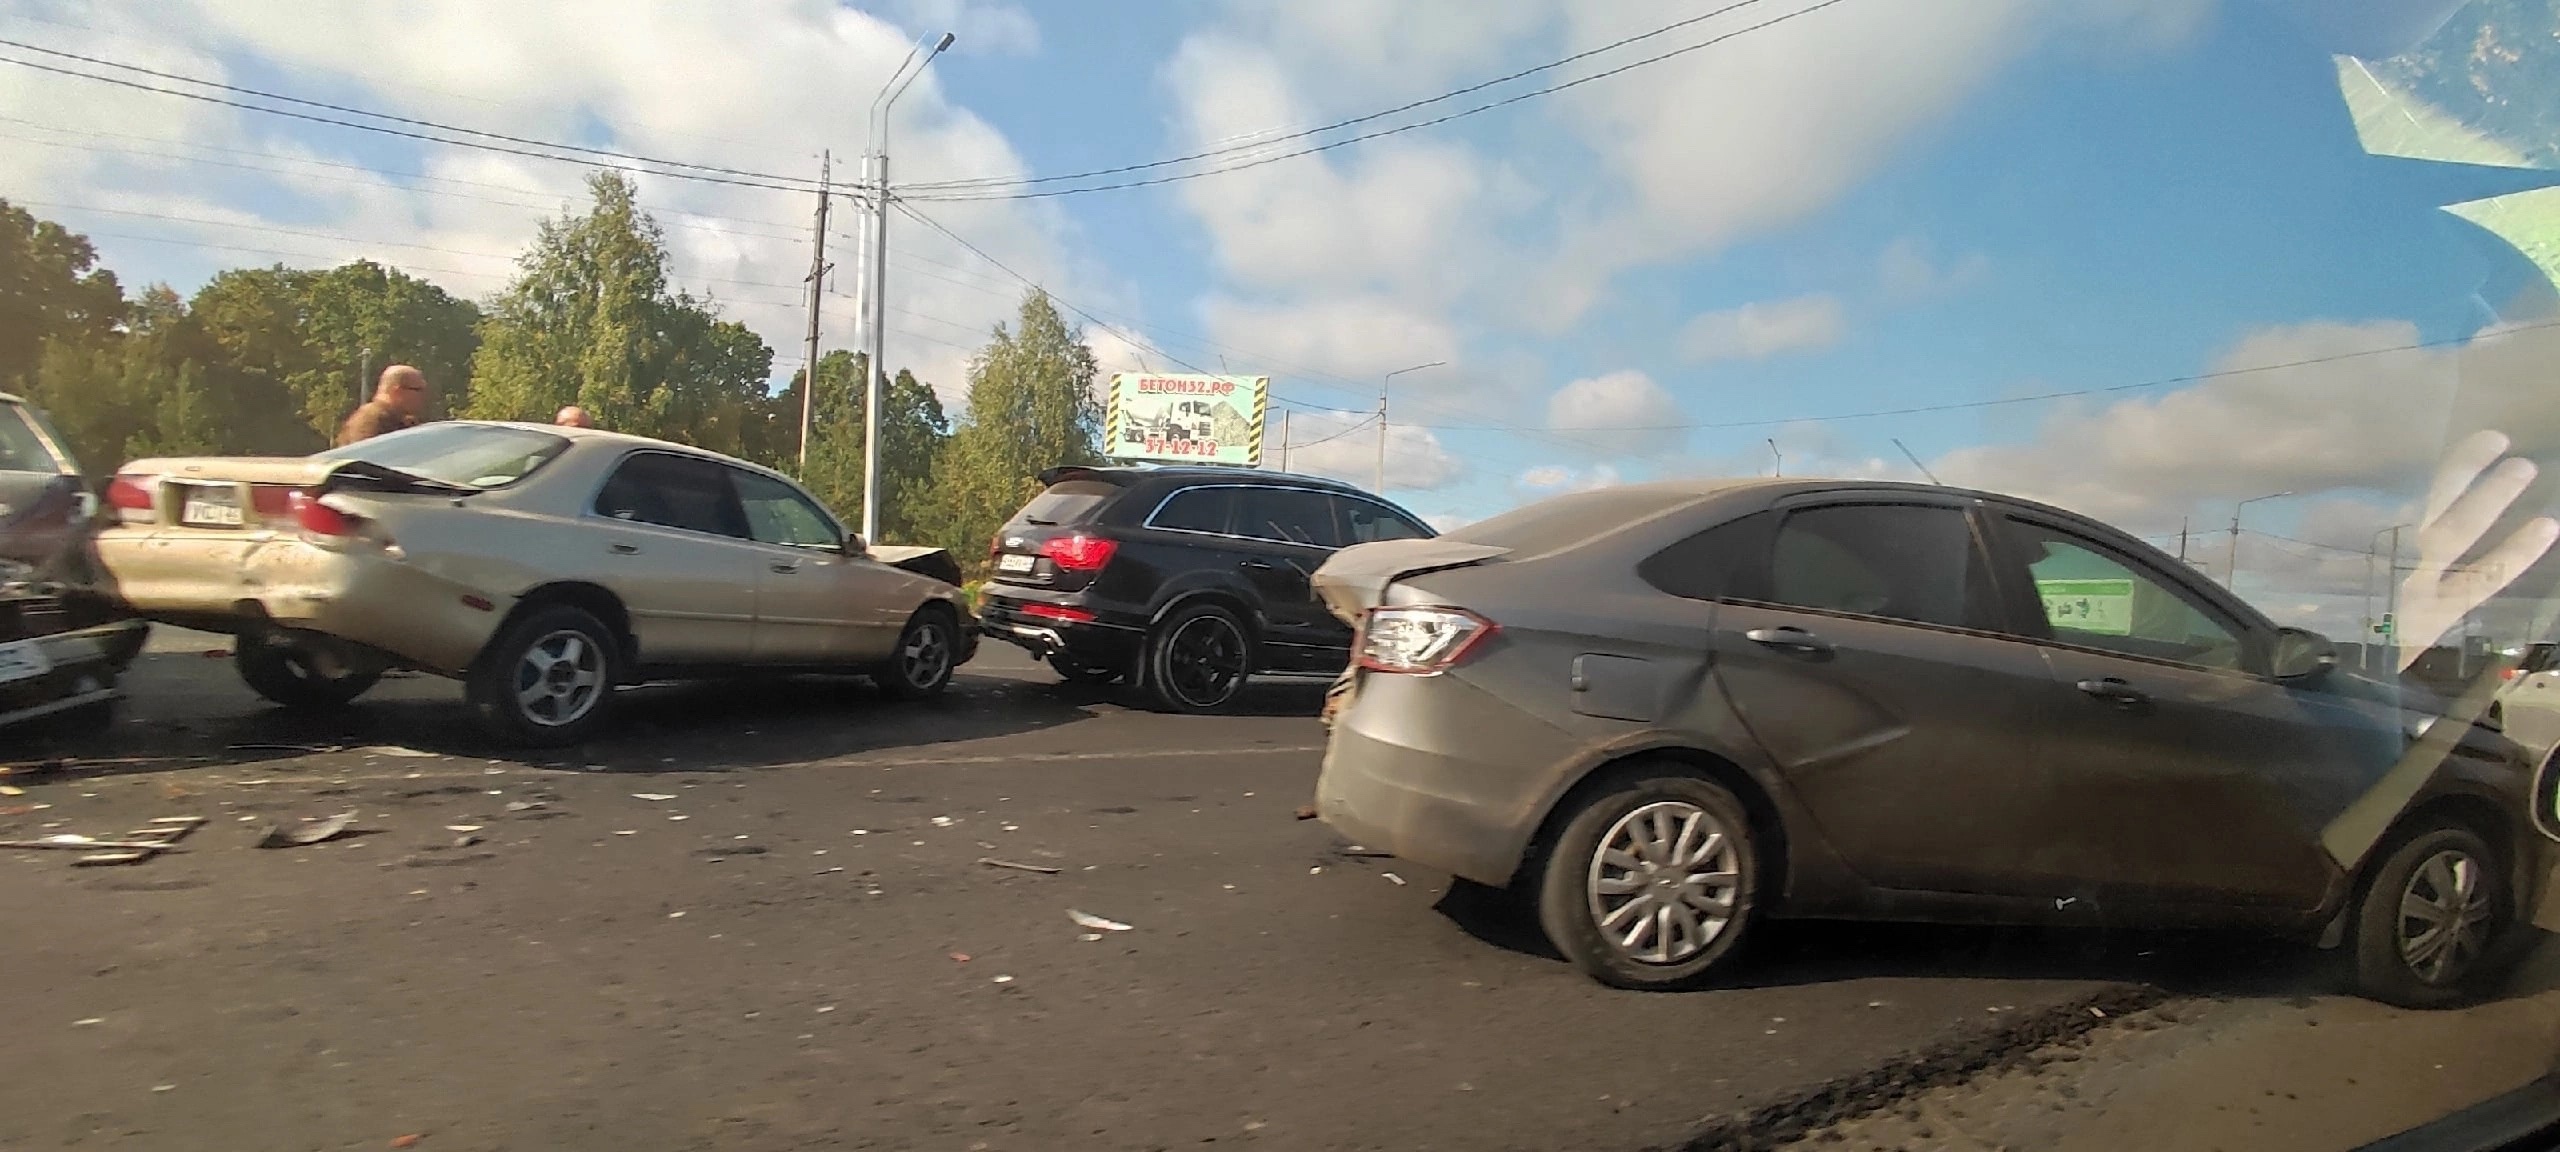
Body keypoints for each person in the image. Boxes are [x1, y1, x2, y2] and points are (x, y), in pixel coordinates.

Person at [335, 365, 431, 447]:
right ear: (397, 391)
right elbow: (366, 461)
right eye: (418, 390)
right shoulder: (371, 420)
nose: (424, 395)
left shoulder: (402, 420)